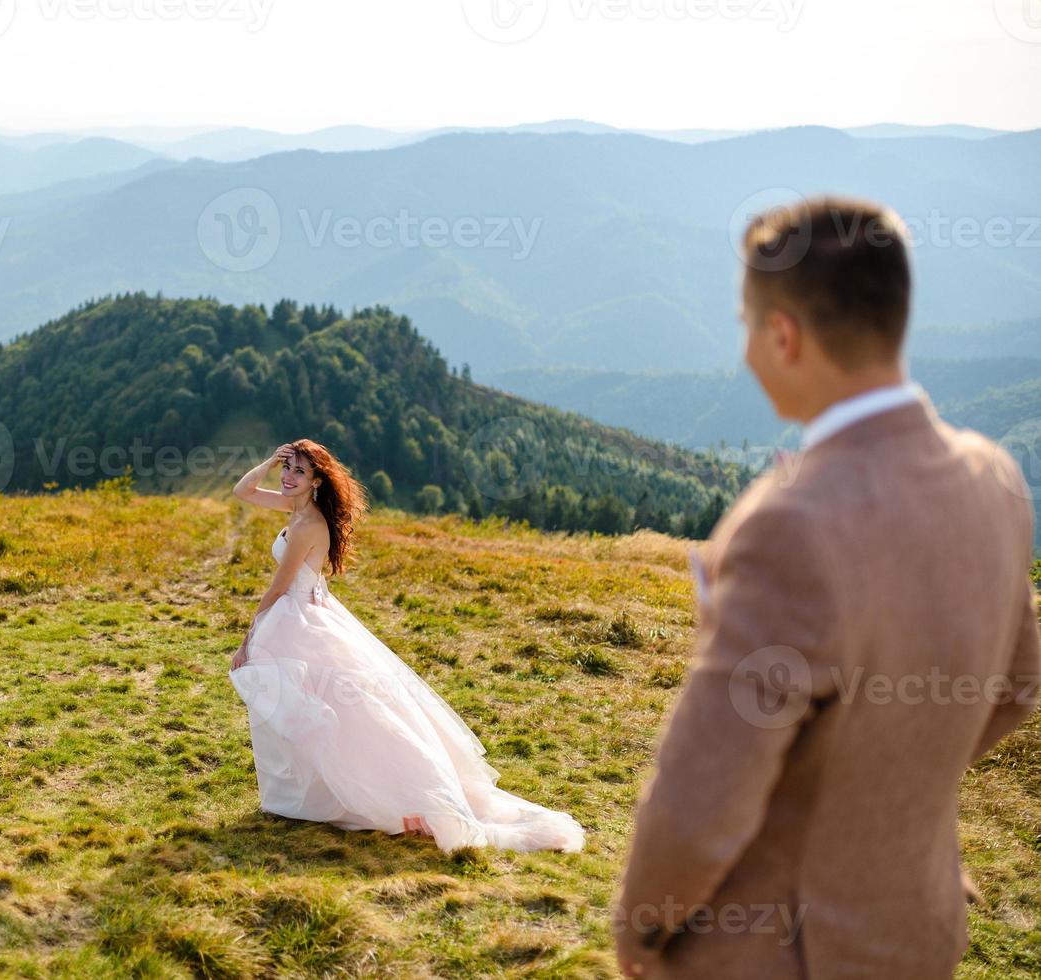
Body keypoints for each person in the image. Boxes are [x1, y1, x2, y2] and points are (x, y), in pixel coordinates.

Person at [613, 195, 1041, 979]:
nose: (744, 352)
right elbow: (1018, 685)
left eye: (748, 327)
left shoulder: (788, 525)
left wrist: (639, 935)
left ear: (784, 335)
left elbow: (703, 800)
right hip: (921, 928)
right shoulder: (995, 479)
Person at [228, 439, 585, 853]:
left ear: (317, 481)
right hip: (307, 614)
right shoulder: (299, 510)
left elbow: (278, 588)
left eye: (298, 472)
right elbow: (244, 491)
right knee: (309, 708)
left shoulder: (307, 525)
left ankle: (356, 793)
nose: (288, 478)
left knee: (323, 709)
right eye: (286, 470)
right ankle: (309, 793)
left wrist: (249, 639)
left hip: (300, 617)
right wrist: (272, 459)